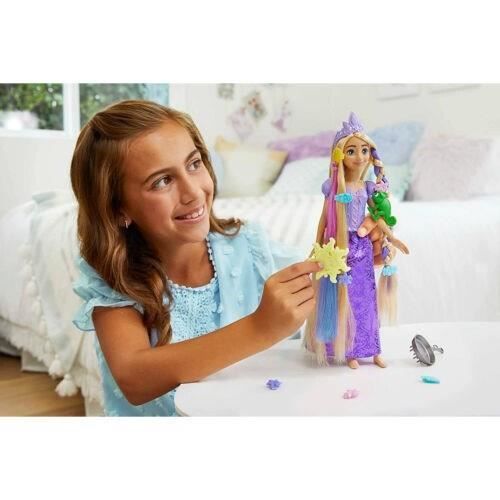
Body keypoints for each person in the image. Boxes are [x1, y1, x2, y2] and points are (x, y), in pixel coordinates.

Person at [70, 99, 322, 416]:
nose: (193, 192)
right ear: (118, 208)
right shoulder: (115, 278)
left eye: (193, 164)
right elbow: (134, 377)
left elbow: (322, 286)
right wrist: (261, 327)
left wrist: (361, 254)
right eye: (162, 181)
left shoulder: (250, 246)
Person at [304, 112, 409, 369]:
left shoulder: (367, 187)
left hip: (362, 249)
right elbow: (324, 219)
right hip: (341, 247)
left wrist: (391, 237)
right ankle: (349, 351)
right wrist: (316, 247)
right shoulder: (333, 188)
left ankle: (372, 349)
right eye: (351, 151)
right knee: (346, 301)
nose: (360, 157)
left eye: (364, 150)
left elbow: (378, 216)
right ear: (340, 155)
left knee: (366, 300)